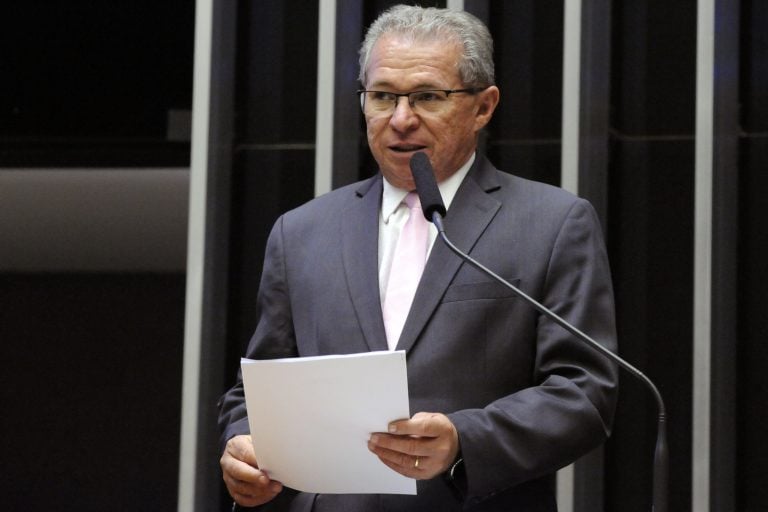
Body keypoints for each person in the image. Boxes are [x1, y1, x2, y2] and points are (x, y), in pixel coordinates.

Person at [218, 5, 618, 511]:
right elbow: (256, 389)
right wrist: (242, 444)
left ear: (483, 106)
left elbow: (585, 394)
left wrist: (462, 439)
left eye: (428, 97)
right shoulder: (301, 232)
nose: (401, 119)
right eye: (383, 96)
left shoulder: (552, 223)